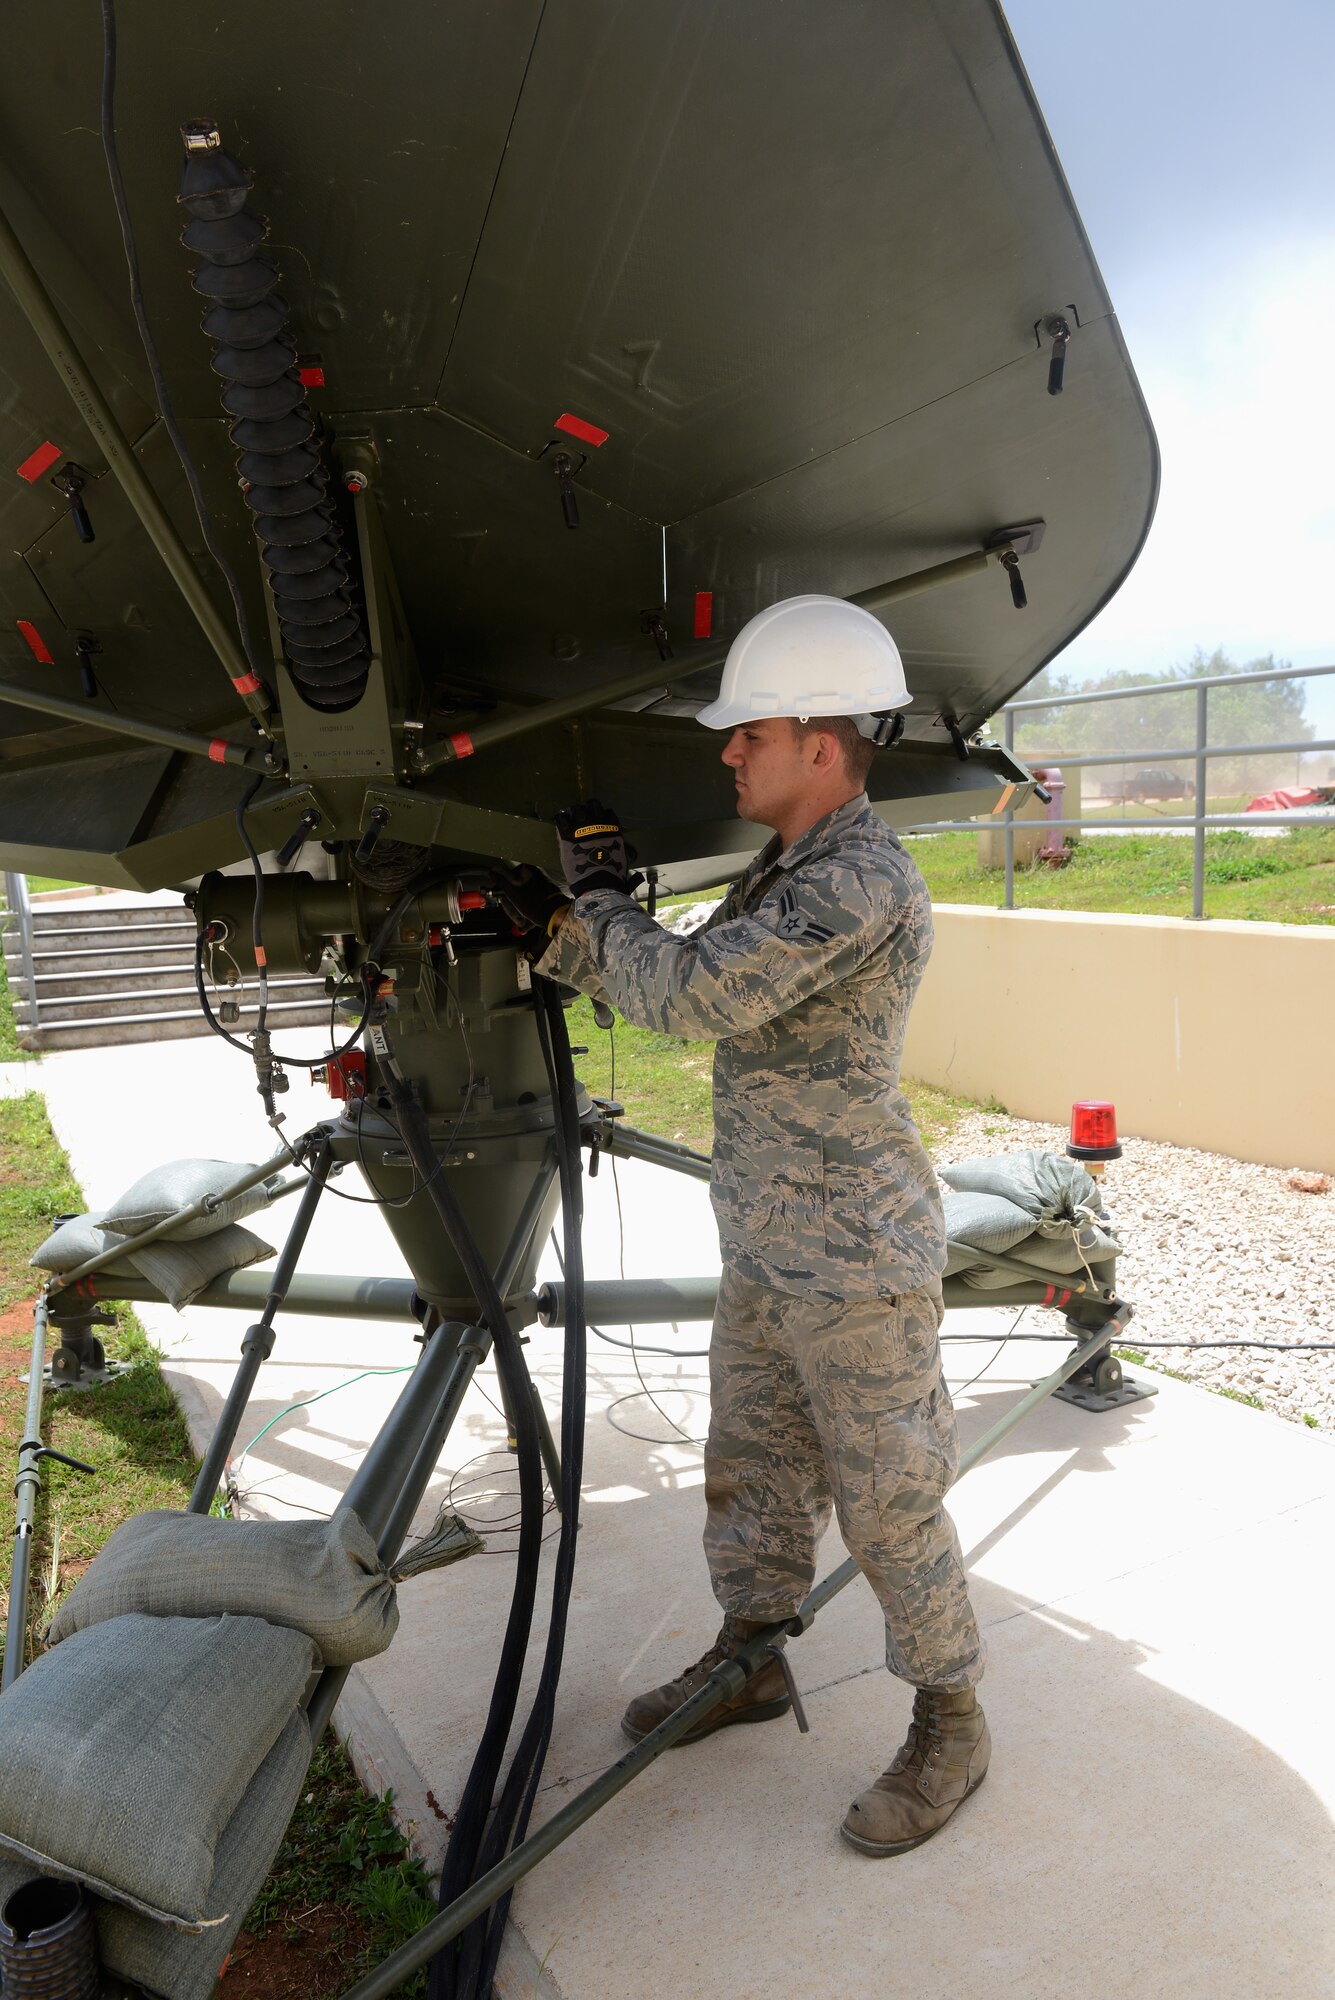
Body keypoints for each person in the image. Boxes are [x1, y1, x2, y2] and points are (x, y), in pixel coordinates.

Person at [504, 594, 988, 1856]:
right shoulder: (789, 870)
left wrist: (594, 902)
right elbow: (660, 965)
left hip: (858, 1259)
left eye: (749, 733)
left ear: (820, 745)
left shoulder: (864, 878)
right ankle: (753, 1657)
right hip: (771, 1242)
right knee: (756, 1469)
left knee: (888, 1501)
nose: (727, 753)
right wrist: (562, 927)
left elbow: (693, 991)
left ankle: (949, 1715)